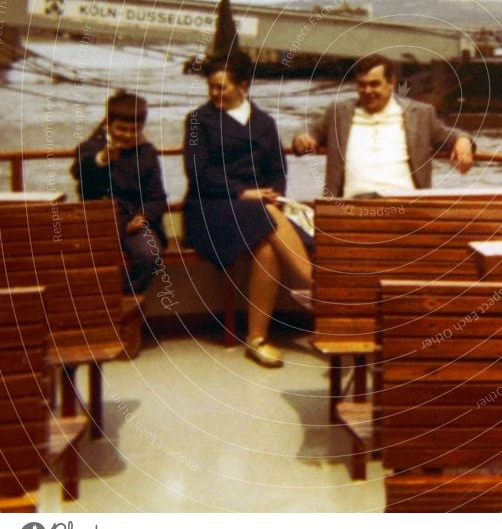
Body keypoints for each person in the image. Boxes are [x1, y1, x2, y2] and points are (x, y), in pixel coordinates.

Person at [183, 50, 311, 369]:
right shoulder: (199, 121)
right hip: (210, 207)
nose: (214, 93)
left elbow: (278, 170)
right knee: (264, 218)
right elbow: (198, 173)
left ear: (243, 85)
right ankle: (321, 292)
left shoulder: (264, 122)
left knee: (266, 248)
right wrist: (245, 192)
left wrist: (272, 194)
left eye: (221, 87)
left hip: (257, 211)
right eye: (211, 87)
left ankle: (257, 338)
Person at [292, 52, 475, 198]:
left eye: (374, 84)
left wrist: (463, 141)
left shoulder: (420, 114)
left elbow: (450, 136)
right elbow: (308, 133)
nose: (367, 91)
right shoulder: (339, 112)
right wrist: (302, 139)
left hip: (405, 202)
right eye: (362, 85)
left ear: (391, 83)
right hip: (351, 203)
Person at [71, 90, 167, 295]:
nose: (128, 135)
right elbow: (78, 171)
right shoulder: (91, 148)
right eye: (121, 129)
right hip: (97, 222)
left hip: (132, 223)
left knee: (150, 254)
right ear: (108, 124)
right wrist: (102, 160)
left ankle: (123, 297)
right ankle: (94, 301)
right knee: (77, 259)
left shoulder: (147, 152)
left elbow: (157, 196)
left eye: (135, 130)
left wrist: (144, 216)